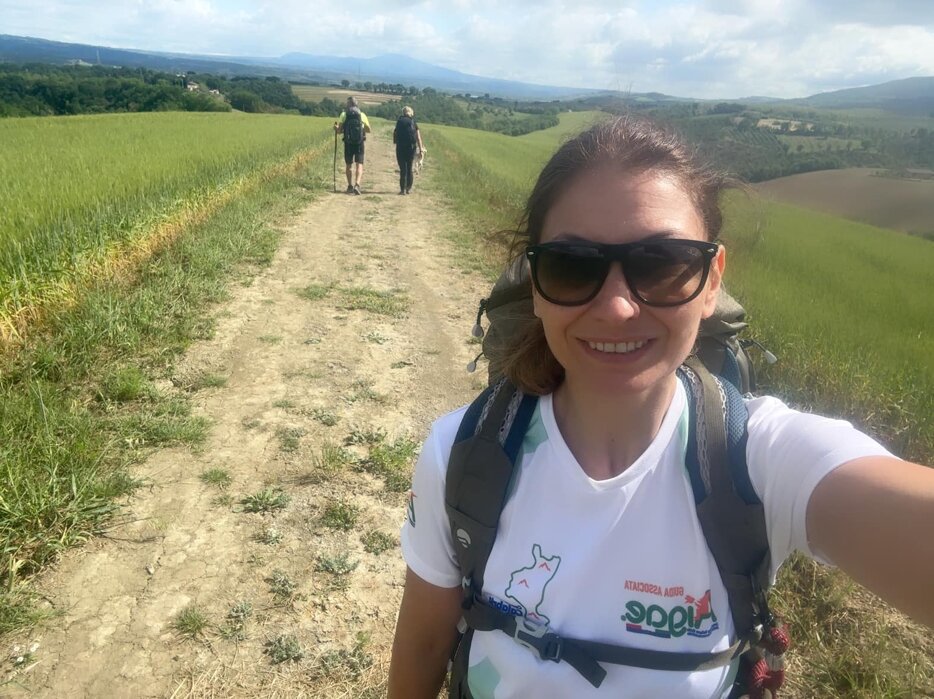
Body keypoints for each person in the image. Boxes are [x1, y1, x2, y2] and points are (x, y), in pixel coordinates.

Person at [388, 116, 934, 698]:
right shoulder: (464, 453)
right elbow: (423, 647)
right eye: (572, 265)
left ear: (712, 281)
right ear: (535, 284)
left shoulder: (757, 461)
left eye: (663, 262)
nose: (617, 308)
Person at [334, 96, 371, 195]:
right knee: (359, 164)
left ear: (349, 104)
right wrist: (361, 129)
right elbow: (369, 130)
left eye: (347, 103)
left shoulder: (344, 114)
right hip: (359, 143)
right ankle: (357, 185)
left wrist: (336, 128)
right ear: (356, 104)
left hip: (348, 143)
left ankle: (350, 186)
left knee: (348, 165)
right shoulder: (362, 115)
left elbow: (339, 131)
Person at [393, 105, 425, 195]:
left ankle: (402, 189)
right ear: (411, 113)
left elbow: (395, 134)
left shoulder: (399, 121)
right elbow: (418, 137)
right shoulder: (413, 122)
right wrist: (421, 149)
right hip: (411, 148)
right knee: (409, 167)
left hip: (400, 147)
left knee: (403, 168)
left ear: (403, 113)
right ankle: (408, 188)